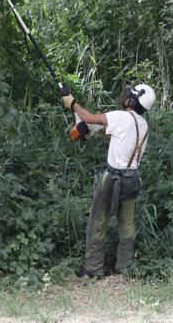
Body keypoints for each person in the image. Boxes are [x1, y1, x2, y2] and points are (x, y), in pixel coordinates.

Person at [62, 84, 156, 278]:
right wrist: (94, 131)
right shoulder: (143, 125)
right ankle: (126, 268)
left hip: (112, 179)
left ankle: (93, 270)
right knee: (127, 225)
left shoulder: (121, 117)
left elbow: (88, 118)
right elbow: (117, 137)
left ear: (132, 100)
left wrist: (72, 103)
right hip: (132, 179)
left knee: (98, 222)